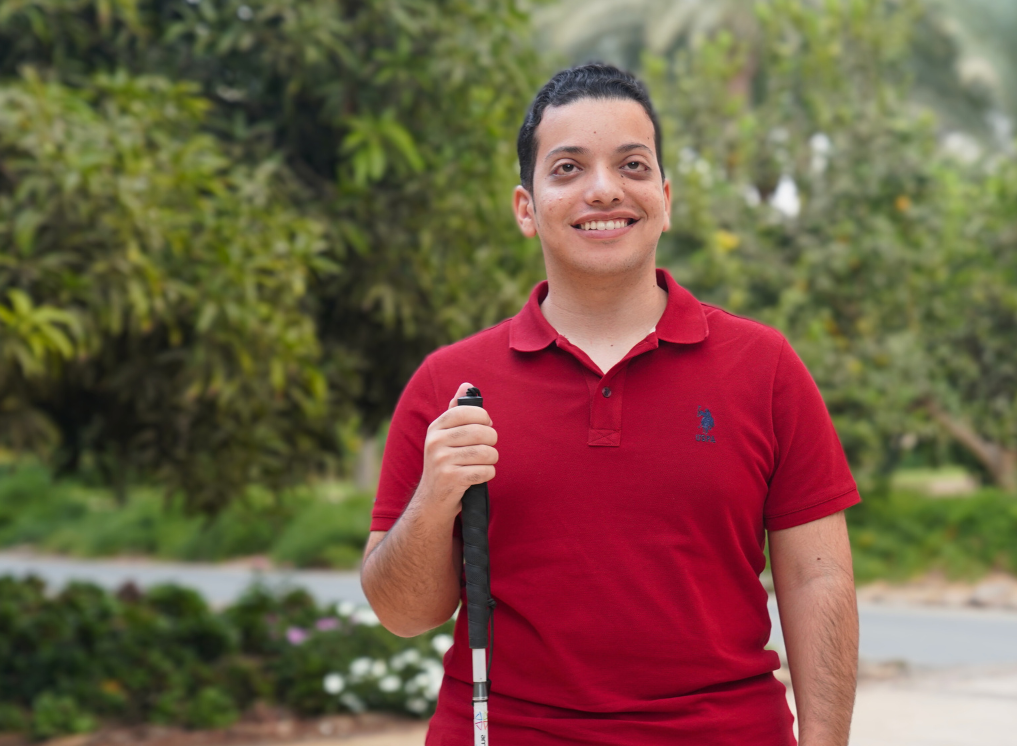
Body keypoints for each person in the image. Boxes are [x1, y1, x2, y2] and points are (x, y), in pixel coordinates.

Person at [361, 63, 860, 745]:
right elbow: (402, 613)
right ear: (525, 209)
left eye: (631, 164)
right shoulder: (449, 383)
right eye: (567, 168)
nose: (603, 190)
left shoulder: (765, 367)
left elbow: (816, 583)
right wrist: (434, 496)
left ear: (665, 196)